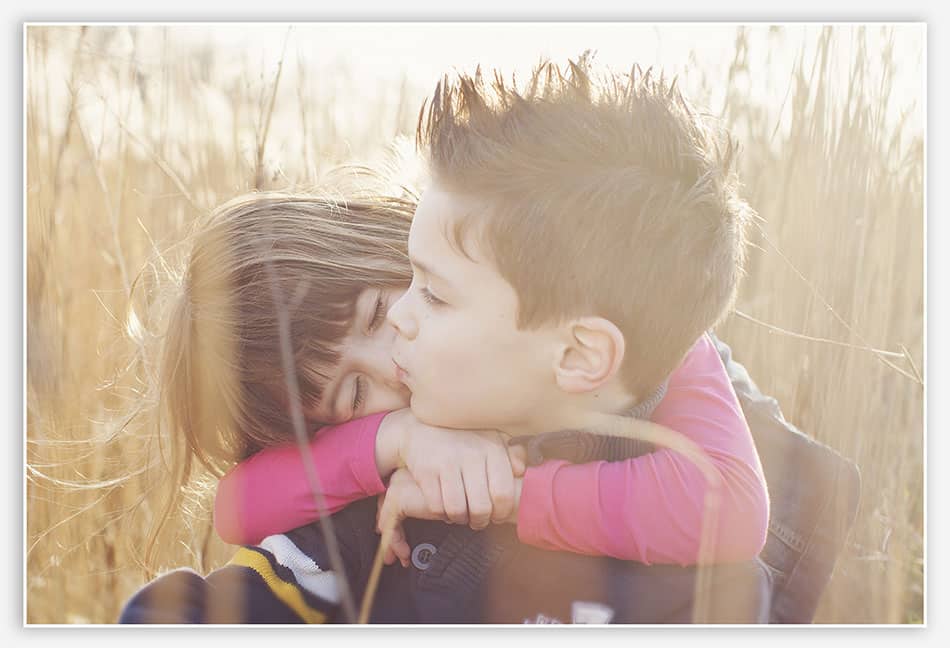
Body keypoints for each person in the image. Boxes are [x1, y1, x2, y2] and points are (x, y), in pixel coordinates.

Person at [122, 57, 771, 624]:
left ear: (394, 247)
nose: (394, 352)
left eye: (386, 308)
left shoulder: (646, 333)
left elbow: (733, 507)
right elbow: (237, 507)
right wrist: (391, 439)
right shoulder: (377, 501)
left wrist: (514, 497)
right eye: (353, 393)